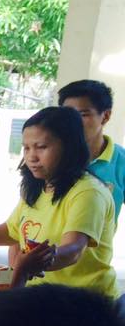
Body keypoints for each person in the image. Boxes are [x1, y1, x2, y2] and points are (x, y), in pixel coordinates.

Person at [0, 106, 118, 299]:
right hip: (42, 296)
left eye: (41, 147)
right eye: (26, 148)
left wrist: (33, 263)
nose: (31, 156)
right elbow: (12, 231)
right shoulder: (35, 187)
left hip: (84, 303)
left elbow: (73, 250)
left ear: (69, 147)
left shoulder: (88, 192)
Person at [59, 78, 125, 220]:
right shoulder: (50, 155)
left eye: (83, 114)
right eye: (67, 115)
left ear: (105, 116)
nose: (74, 122)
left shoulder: (121, 161)